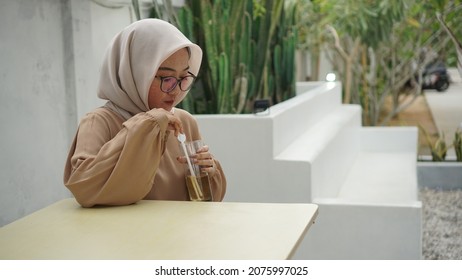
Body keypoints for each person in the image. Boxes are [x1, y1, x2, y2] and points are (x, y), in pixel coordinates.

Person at [63, 19, 226, 207]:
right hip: (126, 235)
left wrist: (209, 170)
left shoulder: (184, 121)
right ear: (133, 73)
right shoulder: (99, 122)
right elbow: (85, 188)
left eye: (183, 78)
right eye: (166, 78)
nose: (175, 90)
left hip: (181, 234)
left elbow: (204, 199)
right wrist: (148, 123)